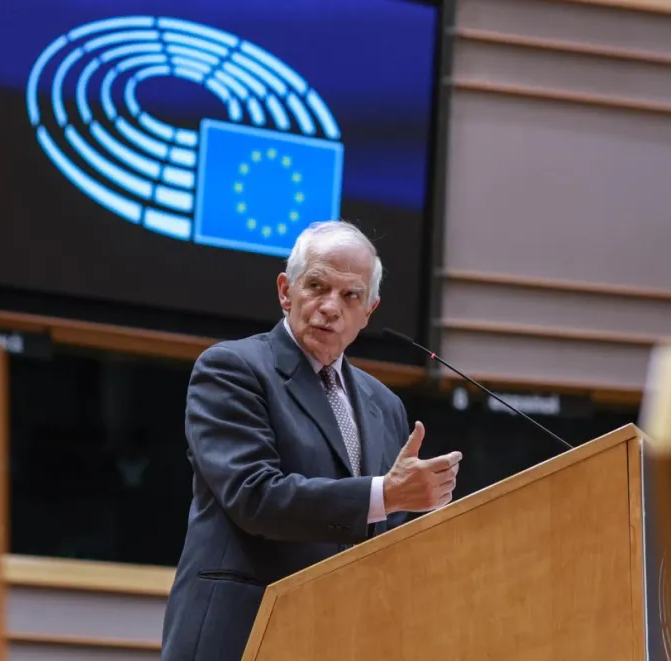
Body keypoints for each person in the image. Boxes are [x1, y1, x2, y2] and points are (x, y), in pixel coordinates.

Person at [160, 220, 462, 661]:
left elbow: (387, 531)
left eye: (349, 295)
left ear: (369, 311)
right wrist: (387, 494)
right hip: (240, 635)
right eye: (317, 286)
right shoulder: (232, 370)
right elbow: (255, 496)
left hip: (341, 638)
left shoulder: (385, 404)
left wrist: (427, 516)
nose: (329, 307)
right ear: (286, 290)